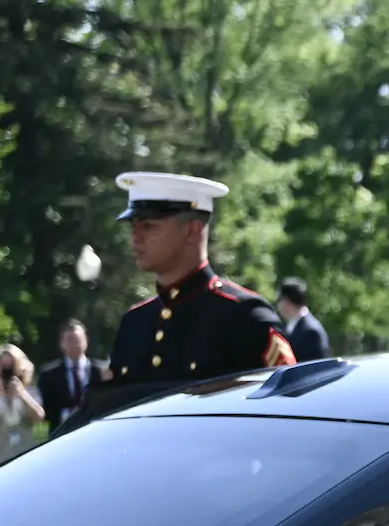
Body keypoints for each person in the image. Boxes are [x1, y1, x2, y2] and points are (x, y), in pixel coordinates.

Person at [92, 172, 293, 417]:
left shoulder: (244, 316)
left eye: (148, 225)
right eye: (133, 226)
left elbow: (286, 409)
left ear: (191, 230)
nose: (135, 237)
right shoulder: (134, 322)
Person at [35, 320, 106, 430]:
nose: (75, 343)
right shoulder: (49, 375)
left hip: (96, 429)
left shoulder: (101, 371)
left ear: (86, 340)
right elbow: (44, 410)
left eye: (78, 339)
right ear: (61, 344)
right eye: (70, 339)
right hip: (62, 431)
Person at [0, 344, 45, 468]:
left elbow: (39, 416)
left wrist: (22, 395)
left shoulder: (30, 390)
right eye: (3, 366)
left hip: (24, 451)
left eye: (11, 366)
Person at [277, 277, 332, 362]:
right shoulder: (292, 326)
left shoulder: (311, 332)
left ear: (287, 301)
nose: (279, 306)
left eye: (280, 300)